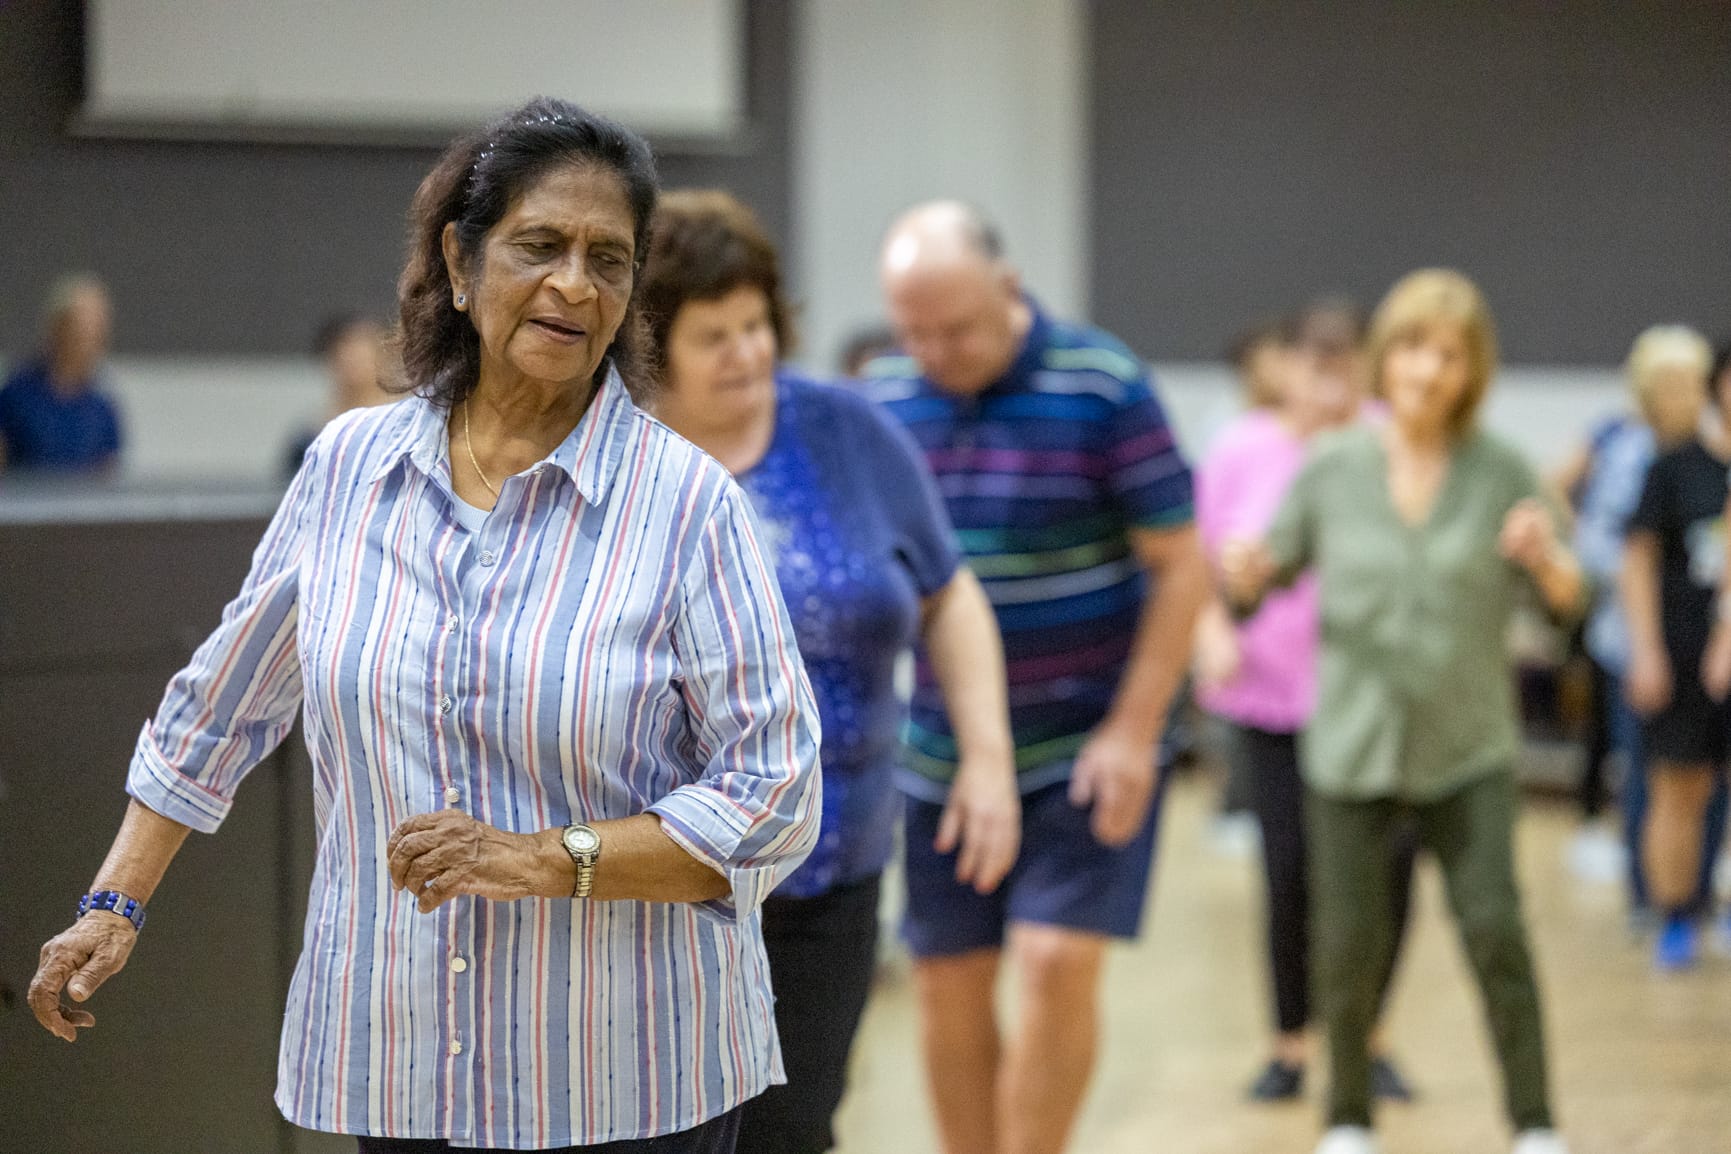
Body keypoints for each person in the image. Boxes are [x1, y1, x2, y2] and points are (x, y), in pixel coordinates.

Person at [28, 98, 820, 1154]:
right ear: (459, 262)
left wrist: (539, 857)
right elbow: (214, 708)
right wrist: (111, 903)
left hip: (624, 1077)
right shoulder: (349, 468)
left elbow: (774, 792)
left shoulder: (686, 504)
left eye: (609, 259)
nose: (575, 284)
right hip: (397, 1054)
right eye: (539, 245)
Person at [638, 189, 1020, 1154]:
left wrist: (984, 755)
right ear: (651, 351)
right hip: (660, 885)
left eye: (757, 325)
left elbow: (949, 592)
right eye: (712, 335)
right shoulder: (620, 461)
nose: (747, 354)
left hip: (830, 870)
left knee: (791, 1129)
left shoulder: (846, 431)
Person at [867, 201, 1207, 1154]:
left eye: (958, 328)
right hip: (937, 752)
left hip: (1081, 743)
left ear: (1009, 289)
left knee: (1056, 961)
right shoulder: (887, 401)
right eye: (914, 330)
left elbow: (1181, 565)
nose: (935, 350)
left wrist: (1135, 732)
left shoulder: (1101, 384)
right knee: (946, 979)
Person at [1221, 269, 1582, 1154]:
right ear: (1386, 359)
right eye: (1413, 348)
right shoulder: (1333, 467)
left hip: (1467, 746)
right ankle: (1347, 1117)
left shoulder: (1503, 471)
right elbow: (1262, 578)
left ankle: (1533, 1124)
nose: (1426, 370)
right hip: (1350, 746)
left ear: (1472, 371)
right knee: (1344, 944)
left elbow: (1571, 605)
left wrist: (1544, 563)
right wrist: (1242, 579)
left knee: (1494, 929)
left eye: (1448, 355)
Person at [1194, 300, 1418, 1105]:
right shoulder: (1242, 449)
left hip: (1374, 697)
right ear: (1282, 366)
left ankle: (1370, 1033)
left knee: (1386, 870)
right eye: (1314, 365)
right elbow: (1200, 558)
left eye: (1345, 365)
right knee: (1288, 871)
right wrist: (1210, 625)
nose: (1330, 384)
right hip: (1273, 698)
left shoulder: (1391, 438)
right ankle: (1289, 1040)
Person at [1558, 329, 1728, 928]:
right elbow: (1626, 550)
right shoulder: (1628, 447)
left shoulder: (1709, 460)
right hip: (1636, 638)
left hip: (1706, 642)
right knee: (1649, 773)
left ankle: (1700, 895)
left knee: (1705, 784)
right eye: (1668, 383)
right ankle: (1654, 902)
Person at [1620, 325, 1729, 972]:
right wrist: (1644, 651)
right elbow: (1635, 562)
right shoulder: (1676, 467)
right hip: (1682, 654)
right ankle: (1674, 916)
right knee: (1677, 788)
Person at [0, 273, 123, 473]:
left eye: (96, 333)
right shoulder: (16, 395)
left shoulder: (102, 406)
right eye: (80, 331)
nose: (88, 344)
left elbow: (107, 472)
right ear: (57, 329)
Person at [282, 313, 396, 478]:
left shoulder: (403, 432)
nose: (353, 363)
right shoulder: (309, 437)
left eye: (362, 355)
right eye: (345, 353)